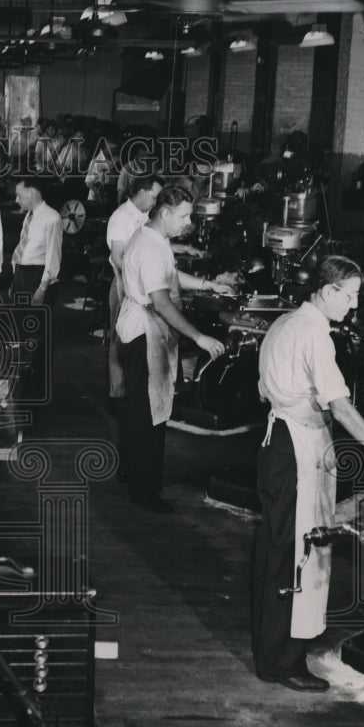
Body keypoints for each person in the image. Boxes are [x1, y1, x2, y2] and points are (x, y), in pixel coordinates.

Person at [252, 256, 364, 692]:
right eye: (348, 296)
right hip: (296, 451)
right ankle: (283, 663)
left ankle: (273, 653)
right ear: (327, 291)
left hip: (277, 444)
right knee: (299, 556)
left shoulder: (283, 324)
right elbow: (341, 406)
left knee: (278, 552)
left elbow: (263, 388)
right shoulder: (315, 337)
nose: (353, 306)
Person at [116, 186, 231, 513]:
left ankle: (132, 473)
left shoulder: (154, 239)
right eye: (183, 215)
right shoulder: (149, 247)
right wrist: (199, 338)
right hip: (144, 335)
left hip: (144, 331)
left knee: (140, 409)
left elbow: (170, 275)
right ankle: (145, 491)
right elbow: (162, 301)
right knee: (148, 416)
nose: (188, 222)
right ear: (164, 213)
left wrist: (208, 284)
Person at [105, 175, 164, 417]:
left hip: (138, 288)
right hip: (123, 286)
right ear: (140, 191)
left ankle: (129, 392)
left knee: (134, 341)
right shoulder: (121, 218)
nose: (156, 201)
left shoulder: (143, 218)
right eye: (154, 196)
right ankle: (116, 394)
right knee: (120, 340)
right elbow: (119, 257)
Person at [10, 177, 62, 306]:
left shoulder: (52, 218)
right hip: (21, 274)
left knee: (37, 322)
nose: (16, 200)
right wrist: (15, 281)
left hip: (37, 277)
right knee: (19, 322)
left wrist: (42, 288)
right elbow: (25, 248)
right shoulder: (29, 215)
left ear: (31, 192)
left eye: (19, 195)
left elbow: (53, 256)